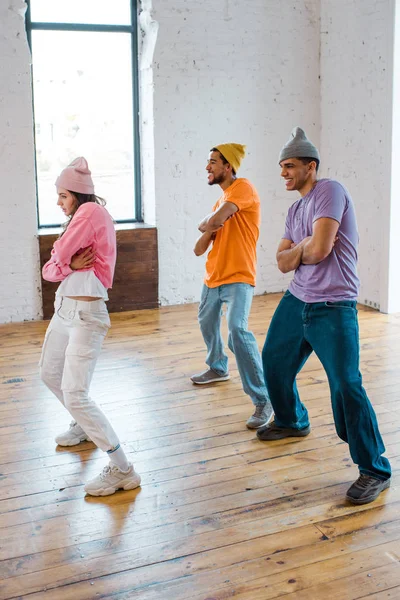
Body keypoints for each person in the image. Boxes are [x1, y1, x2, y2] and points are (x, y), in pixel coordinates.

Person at [257, 127, 391, 505]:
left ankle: (375, 469)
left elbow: (319, 250)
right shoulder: (296, 208)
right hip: (297, 298)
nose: (283, 173)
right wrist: (302, 248)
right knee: (274, 361)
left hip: (334, 304)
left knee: (346, 385)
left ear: (310, 166)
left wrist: (300, 249)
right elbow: (283, 262)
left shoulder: (329, 191)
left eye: (290, 166)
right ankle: (291, 419)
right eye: (281, 166)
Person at [40, 157, 141, 496]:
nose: (59, 203)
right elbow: (49, 271)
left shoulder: (92, 214)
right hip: (64, 311)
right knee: (49, 375)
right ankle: (83, 426)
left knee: (75, 393)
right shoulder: (77, 218)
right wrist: (65, 265)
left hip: (86, 316)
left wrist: (62, 260)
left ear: (79, 194)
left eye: (63, 195)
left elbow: (58, 252)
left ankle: (123, 468)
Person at [191, 143, 273, 429]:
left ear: (228, 167)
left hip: (239, 275)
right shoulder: (222, 203)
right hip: (213, 276)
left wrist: (209, 223)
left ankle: (263, 399)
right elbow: (199, 249)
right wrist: (209, 226)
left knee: (237, 330)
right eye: (208, 161)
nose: (207, 167)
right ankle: (218, 367)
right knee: (206, 322)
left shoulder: (243, 188)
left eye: (213, 161)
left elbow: (212, 222)